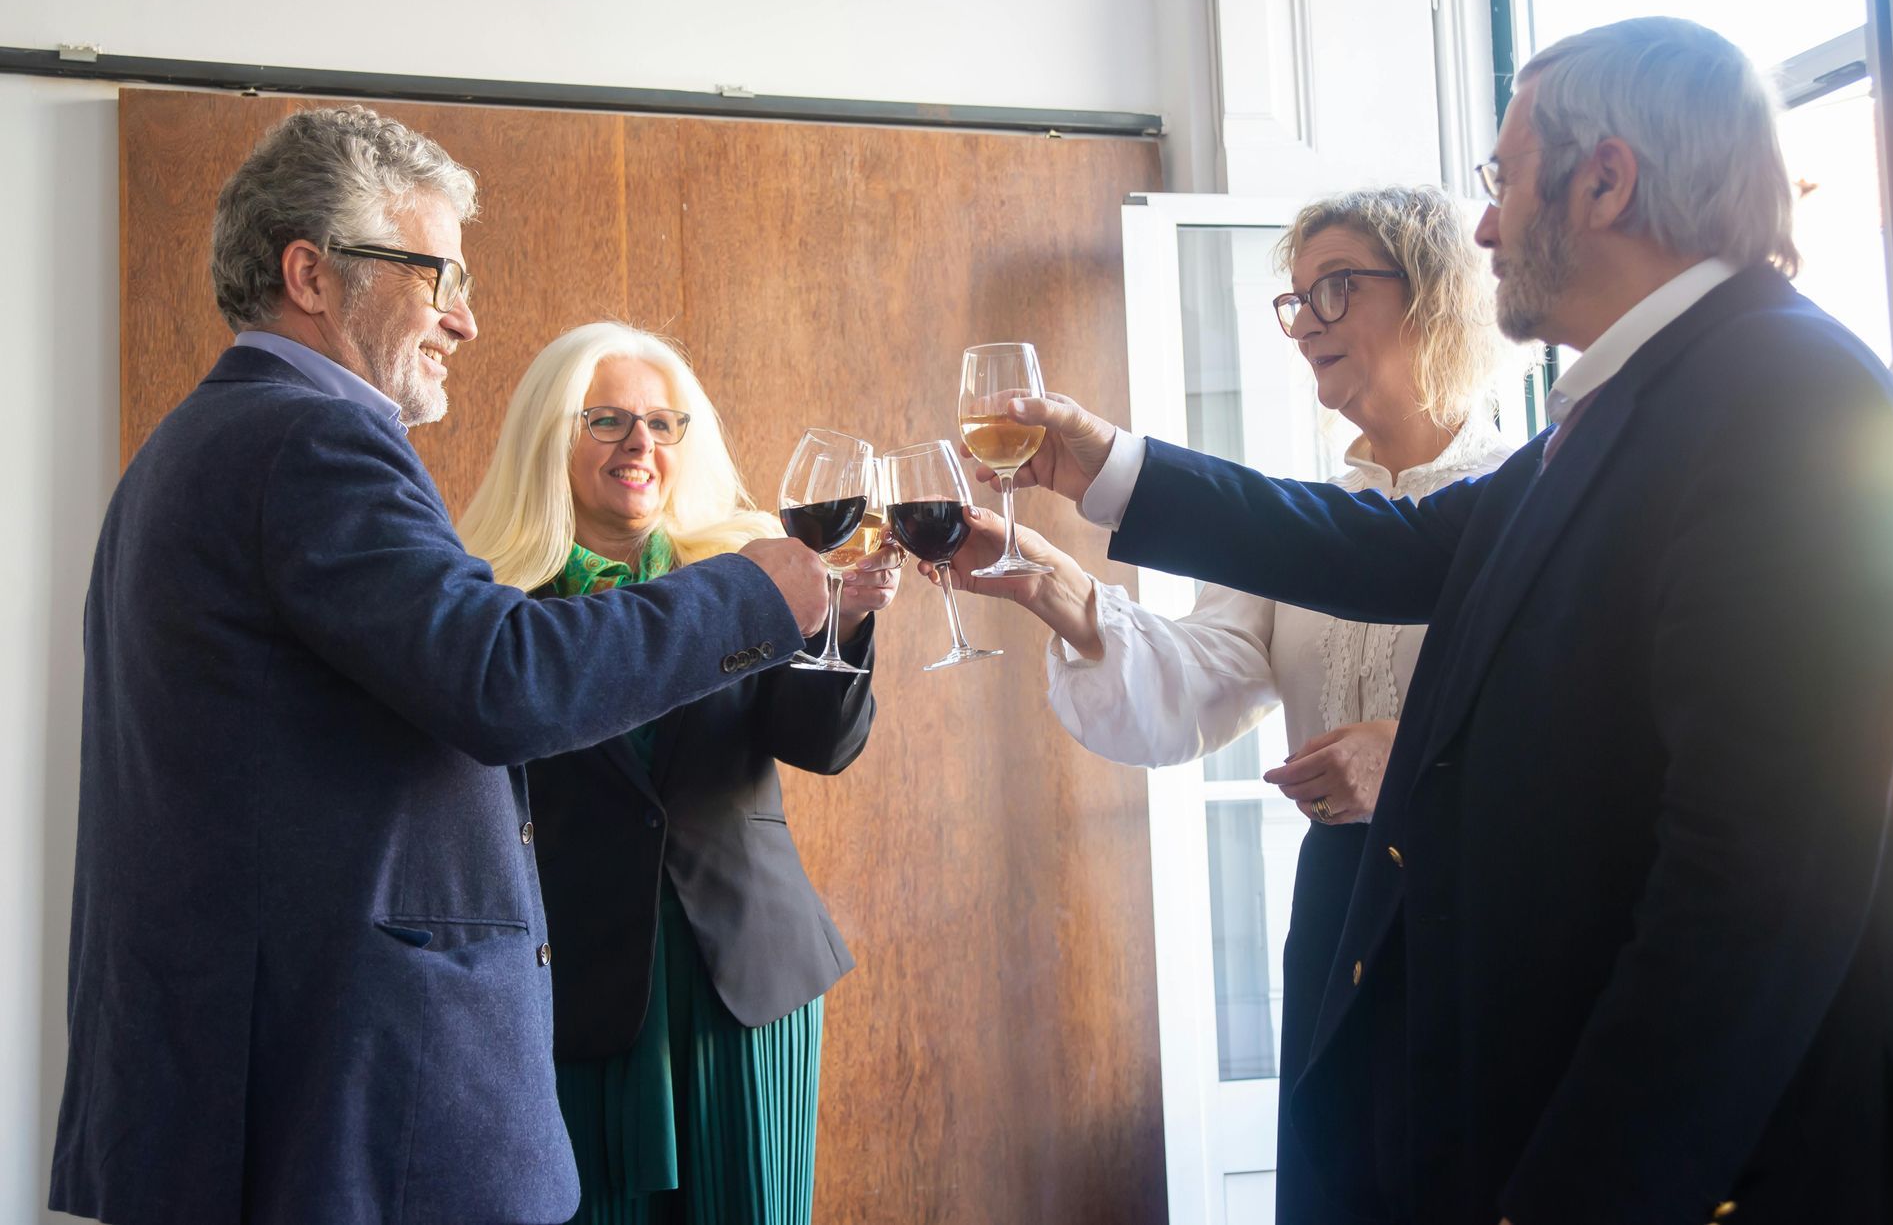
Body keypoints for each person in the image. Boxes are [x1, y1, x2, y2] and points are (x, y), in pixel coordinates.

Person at [991, 18, 1893, 1223]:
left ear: (1605, 180)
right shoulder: (1627, 404)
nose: (1484, 225)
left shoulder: (1789, 392)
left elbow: (1754, 889)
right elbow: (1388, 545)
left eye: (1501, 179)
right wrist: (1104, 463)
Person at [50, 107, 831, 1225]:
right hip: (348, 1107)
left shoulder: (192, 448)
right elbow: (503, 677)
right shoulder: (312, 440)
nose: (465, 319)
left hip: (253, 1091)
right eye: (438, 275)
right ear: (312, 274)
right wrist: (759, 591)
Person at [938, 187, 1510, 1221]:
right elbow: (1199, 684)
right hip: (1340, 911)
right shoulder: (1306, 521)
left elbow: (1593, 723)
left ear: (1437, 294)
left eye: (1339, 286)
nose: (1311, 323)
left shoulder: (1530, 493)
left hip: (1495, 916)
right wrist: (1054, 586)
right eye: (1297, 301)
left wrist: (1413, 758)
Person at [460, 321, 896, 1224]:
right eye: (609, 419)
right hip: (577, 986)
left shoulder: (745, 573)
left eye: (664, 423)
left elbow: (821, 745)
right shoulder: (491, 608)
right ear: (553, 436)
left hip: (747, 979)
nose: (641, 445)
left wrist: (842, 627)